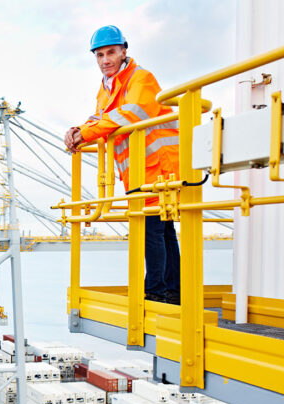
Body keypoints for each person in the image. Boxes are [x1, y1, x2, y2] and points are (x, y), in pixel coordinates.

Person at [64, 25, 180, 304]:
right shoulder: (107, 87)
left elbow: (132, 113)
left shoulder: (141, 78)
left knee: (151, 228)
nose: (106, 60)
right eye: (100, 55)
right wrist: (76, 130)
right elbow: (100, 117)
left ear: (124, 51)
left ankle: (155, 291)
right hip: (140, 168)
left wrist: (87, 133)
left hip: (160, 164)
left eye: (111, 52)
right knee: (162, 229)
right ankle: (172, 289)